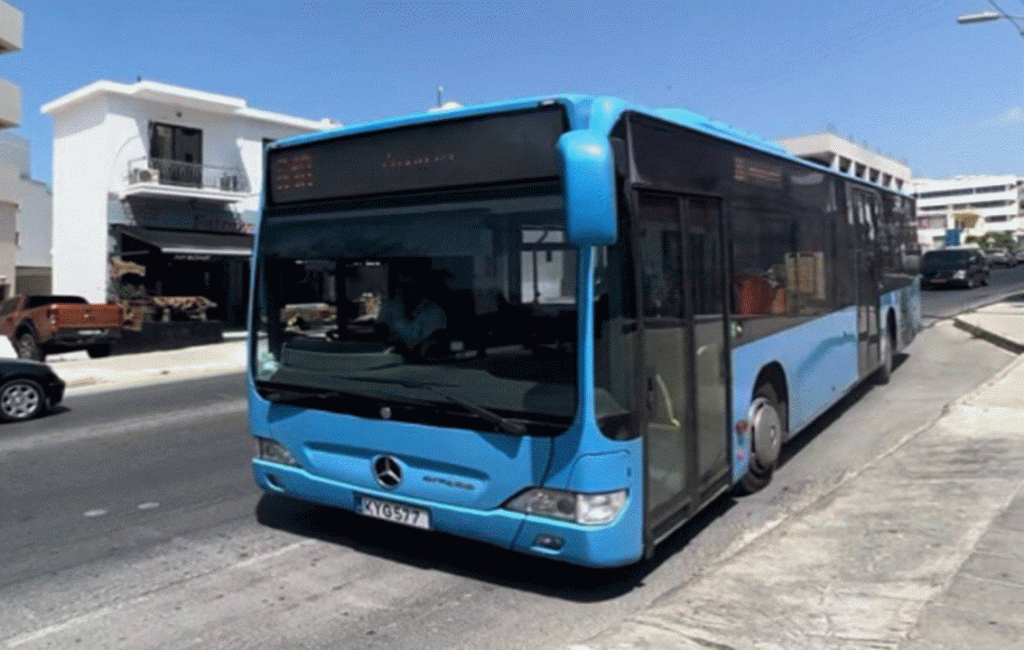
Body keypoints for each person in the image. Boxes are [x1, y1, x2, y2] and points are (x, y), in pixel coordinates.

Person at [377, 267, 448, 358]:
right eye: (403, 286)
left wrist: (409, 349)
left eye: (411, 286)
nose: (407, 291)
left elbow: (431, 344)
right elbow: (380, 332)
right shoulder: (389, 308)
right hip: (390, 359)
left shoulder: (435, 312)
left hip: (421, 362)